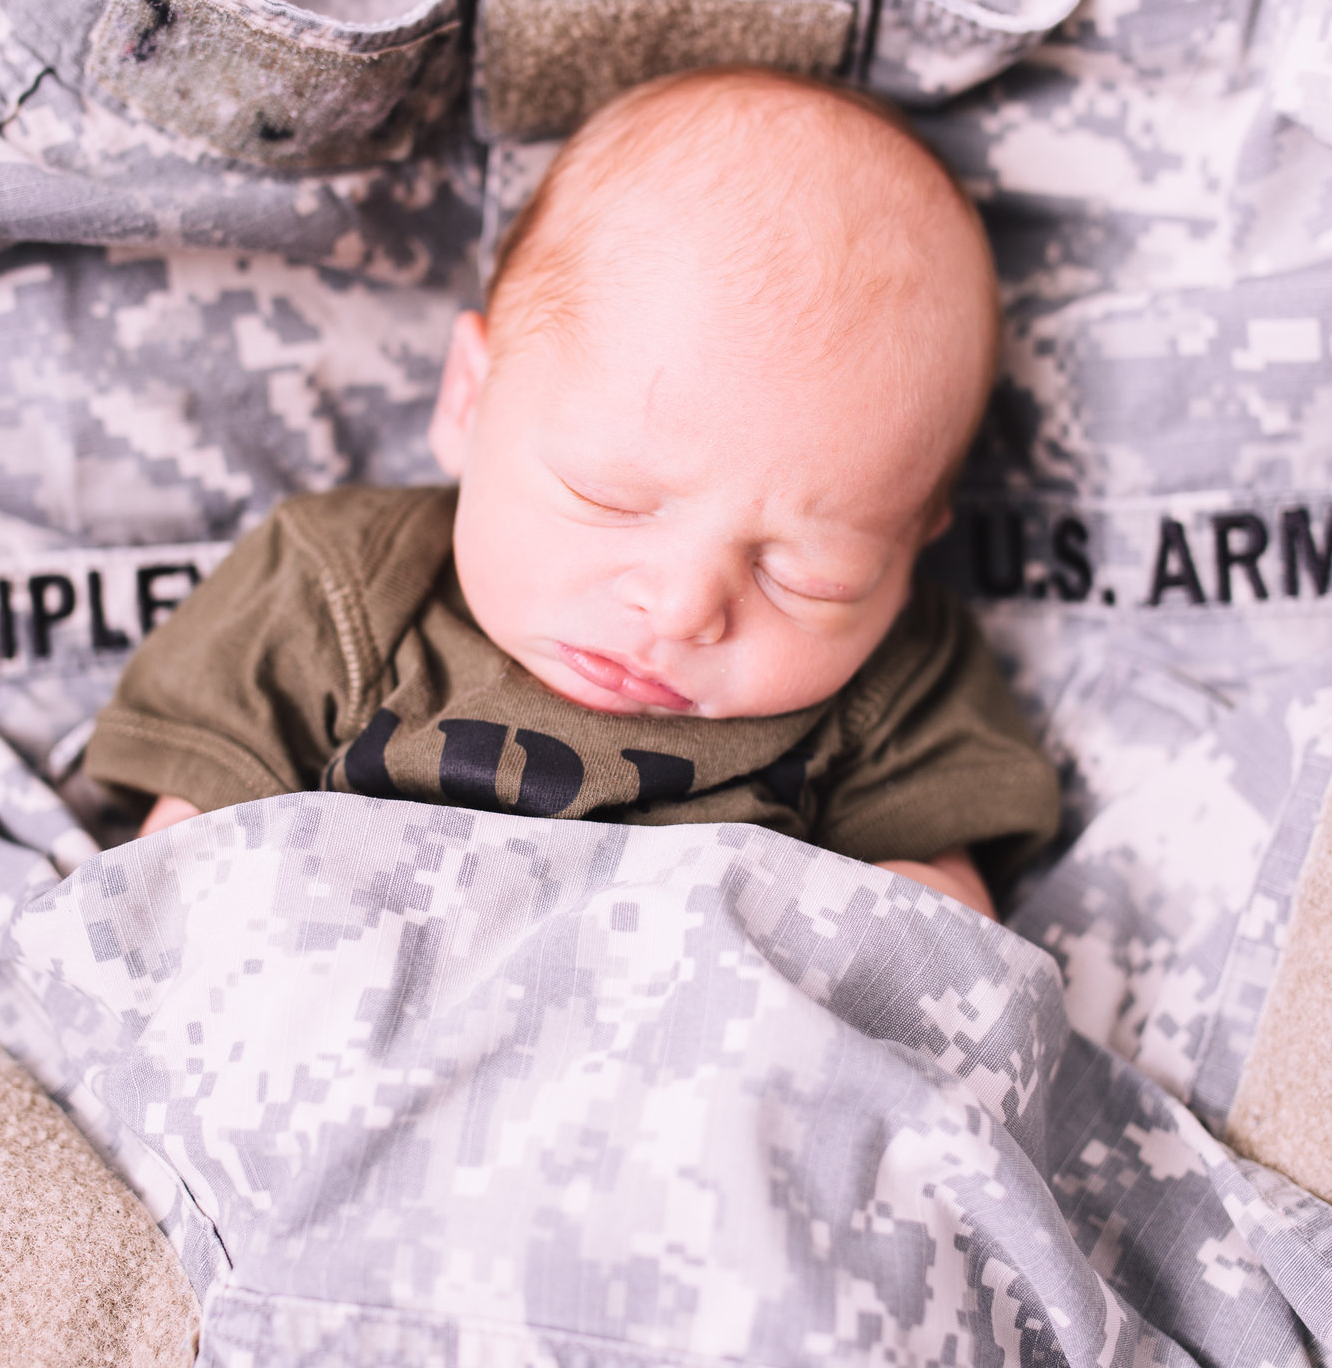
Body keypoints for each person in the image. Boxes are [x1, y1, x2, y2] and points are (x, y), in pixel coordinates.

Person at [84, 65, 1056, 917]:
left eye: (812, 573)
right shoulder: (338, 588)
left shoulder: (891, 679)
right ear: (470, 397)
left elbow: (941, 925)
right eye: (610, 497)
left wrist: (917, 910)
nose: (681, 606)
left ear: (910, 546)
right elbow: (179, 864)